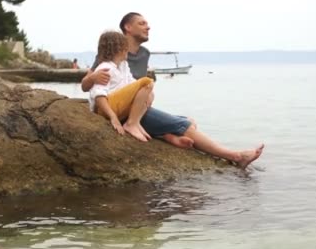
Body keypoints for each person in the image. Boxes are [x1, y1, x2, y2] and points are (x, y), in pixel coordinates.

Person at [81, 12, 263, 168]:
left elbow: (132, 85)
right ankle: (235, 156)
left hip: (136, 106)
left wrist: (146, 96)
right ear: (128, 27)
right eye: (142, 23)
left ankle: (167, 136)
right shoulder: (112, 55)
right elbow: (86, 86)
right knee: (183, 126)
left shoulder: (144, 53)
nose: (148, 27)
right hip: (122, 109)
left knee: (187, 121)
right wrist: (92, 78)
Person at [89, 31, 154, 142]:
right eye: (125, 47)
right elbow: (99, 95)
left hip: (117, 105)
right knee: (147, 82)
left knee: (150, 92)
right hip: (105, 109)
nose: (128, 50)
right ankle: (131, 124)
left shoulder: (123, 65)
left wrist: (146, 94)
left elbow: (131, 83)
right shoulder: (105, 68)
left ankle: (135, 122)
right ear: (118, 49)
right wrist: (113, 117)